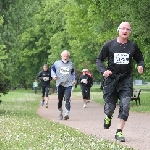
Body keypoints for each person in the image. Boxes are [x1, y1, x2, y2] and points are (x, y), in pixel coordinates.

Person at [96, 22, 144, 142]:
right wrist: (103, 71)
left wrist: (140, 66)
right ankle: (108, 116)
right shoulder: (109, 45)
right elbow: (99, 60)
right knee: (110, 108)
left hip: (126, 79)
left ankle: (119, 132)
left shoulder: (133, 46)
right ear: (118, 30)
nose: (125, 31)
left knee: (126, 105)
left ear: (129, 32)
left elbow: (140, 59)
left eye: (128, 29)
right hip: (111, 79)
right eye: (123, 28)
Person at [51, 50, 75, 120]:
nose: (65, 58)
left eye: (67, 56)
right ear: (61, 56)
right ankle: (59, 112)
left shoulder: (71, 64)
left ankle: (67, 113)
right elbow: (52, 70)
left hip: (68, 84)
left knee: (67, 98)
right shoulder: (57, 63)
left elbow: (73, 73)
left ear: (68, 57)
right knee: (60, 99)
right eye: (64, 56)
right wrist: (54, 76)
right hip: (60, 84)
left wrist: (73, 80)